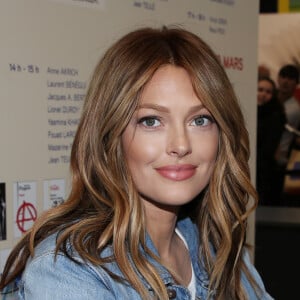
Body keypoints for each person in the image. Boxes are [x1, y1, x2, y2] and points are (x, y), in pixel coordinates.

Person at [0, 26, 272, 300]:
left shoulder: (218, 245)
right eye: (151, 121)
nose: (181, 145)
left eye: (200, 120)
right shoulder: (68, 271)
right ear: (110, 136)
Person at [256, 76, 286, 205]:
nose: (263, 94)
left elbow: (267, 151)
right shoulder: (250, 110)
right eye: (260, 89)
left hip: (264, 175)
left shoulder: (275, 116)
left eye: (268, 92)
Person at [276, 64, 300, 167]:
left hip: (280, 158)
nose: (286, 81)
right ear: (278, 78)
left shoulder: (294, 109)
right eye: (283, 76)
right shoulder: (270, 99)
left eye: (290, 78)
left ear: (296, 83)